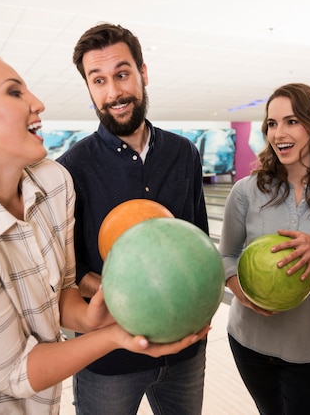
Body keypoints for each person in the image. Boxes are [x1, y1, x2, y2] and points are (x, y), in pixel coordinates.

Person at [0, 50, 209, 415]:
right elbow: (17, 371)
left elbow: (60, 293)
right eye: (15, 92)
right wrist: (115, 336)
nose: (38, 102)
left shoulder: (53, 183)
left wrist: (89, 317)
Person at [56, 23, 209, 415]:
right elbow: (68, 273)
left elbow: (199, 243)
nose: (114, 92)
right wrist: (128, 291)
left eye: (122, 74)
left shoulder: (184, 153)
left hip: (184, 353)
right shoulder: (70, 170)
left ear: (143, 73)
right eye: (99, 80)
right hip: (109, 359)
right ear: (89, 89)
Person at [219, 83, 310, 415]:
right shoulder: (246, 192)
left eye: (292, 121)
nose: (278, 132)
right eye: (272, 123)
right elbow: (226, 257)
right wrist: (244, 294)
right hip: (248, 341)